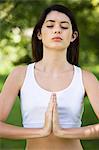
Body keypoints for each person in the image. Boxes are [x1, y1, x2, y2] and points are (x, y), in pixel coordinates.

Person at [0, 4, 99, 150]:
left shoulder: (86, 78)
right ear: (39, 34)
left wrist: (64, 132)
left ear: (73, 36)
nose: (57, 30)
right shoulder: (20, 75)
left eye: (64, 27)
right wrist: (41, 131)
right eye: (50, 25)